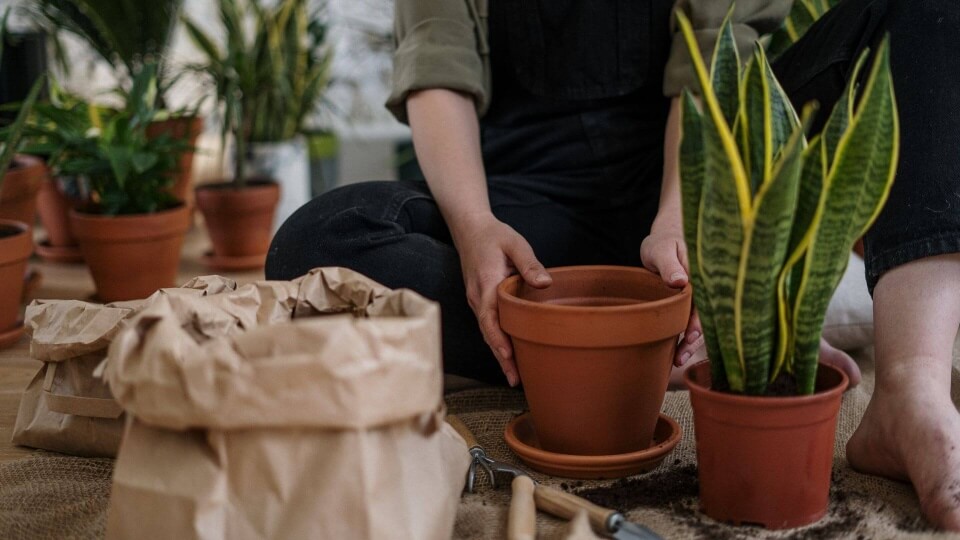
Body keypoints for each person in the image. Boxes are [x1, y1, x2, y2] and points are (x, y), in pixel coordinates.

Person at [266, 0, 960, 529]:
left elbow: (718, 55)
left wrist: (682, 220)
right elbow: (437, 65)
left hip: (704, 180)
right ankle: (639, 342)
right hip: (524, 221)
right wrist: (476, 230)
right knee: (316, 240)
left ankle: (908, 391)